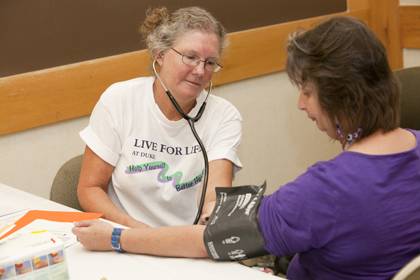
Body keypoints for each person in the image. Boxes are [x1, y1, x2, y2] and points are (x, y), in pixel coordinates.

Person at [73, 16, 420, 279]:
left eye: (307, 91)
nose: (300, 104)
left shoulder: (323, 191)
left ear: (339, 96)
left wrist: (117, 238)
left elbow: (210, 239)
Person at [76, 6, 242, 228]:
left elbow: (214, 196)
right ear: (160, 54)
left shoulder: (224, 116)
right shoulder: (119, 100)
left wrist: (213, 216)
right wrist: (140, 235)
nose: (200, 71)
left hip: (185, 243)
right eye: (190, 57)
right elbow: (89, 189)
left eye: (210, 62)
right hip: (125, 235)